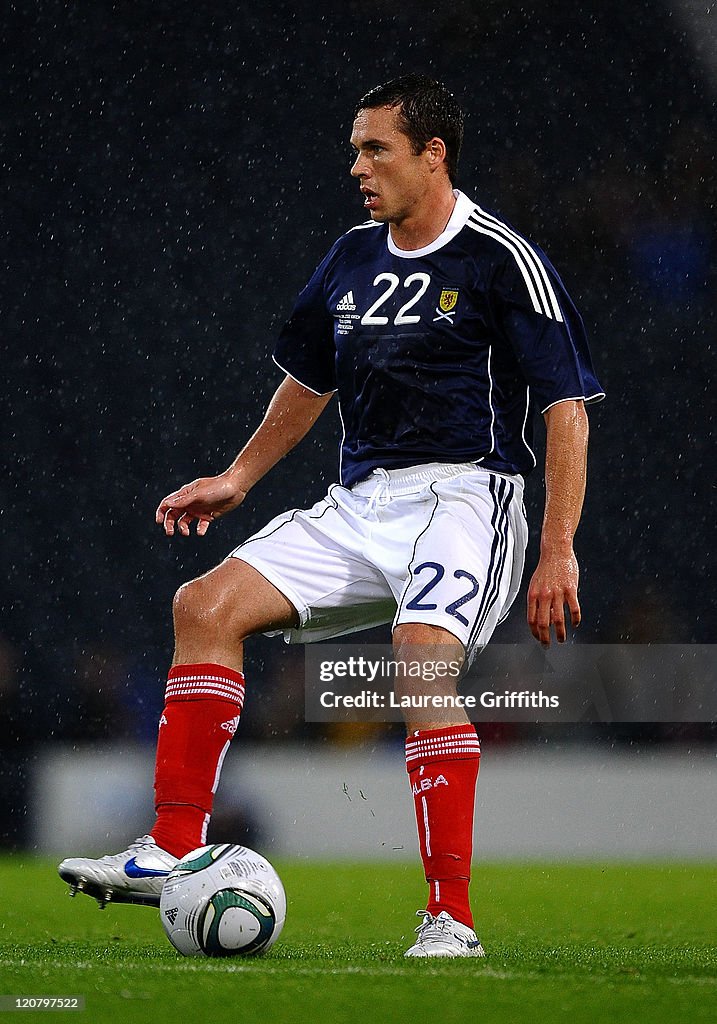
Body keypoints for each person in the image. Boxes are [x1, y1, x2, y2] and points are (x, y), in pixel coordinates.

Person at [59, 74, 604, 958]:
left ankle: (449, 919)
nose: (356, 165)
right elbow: (309, 381)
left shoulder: (499, 259)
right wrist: (239, 476)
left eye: (374, 148)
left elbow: (565, 410)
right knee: (203, 605)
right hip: (361, 502)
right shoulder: (350, 257)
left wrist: (557, 550)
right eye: (355, 148)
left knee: (421, 664)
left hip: (468, 496)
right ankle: (169, 845)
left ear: (433, 155)